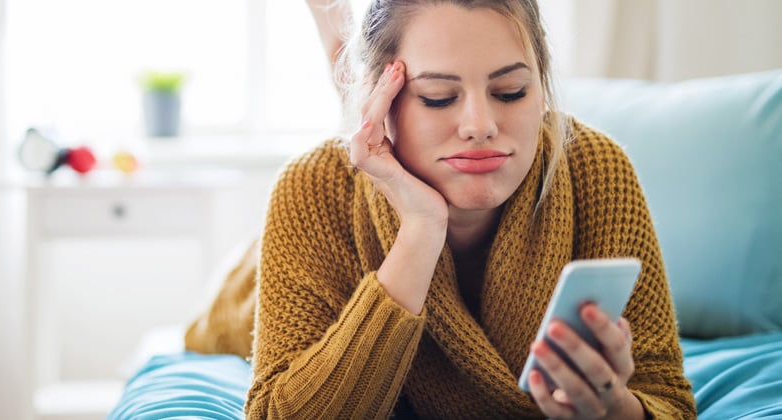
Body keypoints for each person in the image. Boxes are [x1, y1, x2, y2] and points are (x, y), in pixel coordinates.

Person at [185, 0, 697, 418]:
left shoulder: (594, 167)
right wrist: (420, 228)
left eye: (510, 91)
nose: (480, 124)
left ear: (542, 88)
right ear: (382, 100)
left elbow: (667, 400)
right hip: (245, 297)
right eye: (436, 97)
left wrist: (617, 409)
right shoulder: (311, 187)